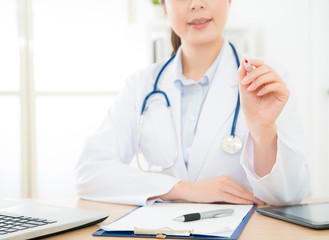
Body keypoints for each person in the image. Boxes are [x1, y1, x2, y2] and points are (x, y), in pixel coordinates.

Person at [75, 0, 308, 206]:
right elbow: (90, 172)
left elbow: (289, 194)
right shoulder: (141, 85)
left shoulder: (268, 80)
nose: (196, 3)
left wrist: (263, 131)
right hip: (161, 231)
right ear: (163, 6)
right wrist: (184, 189)